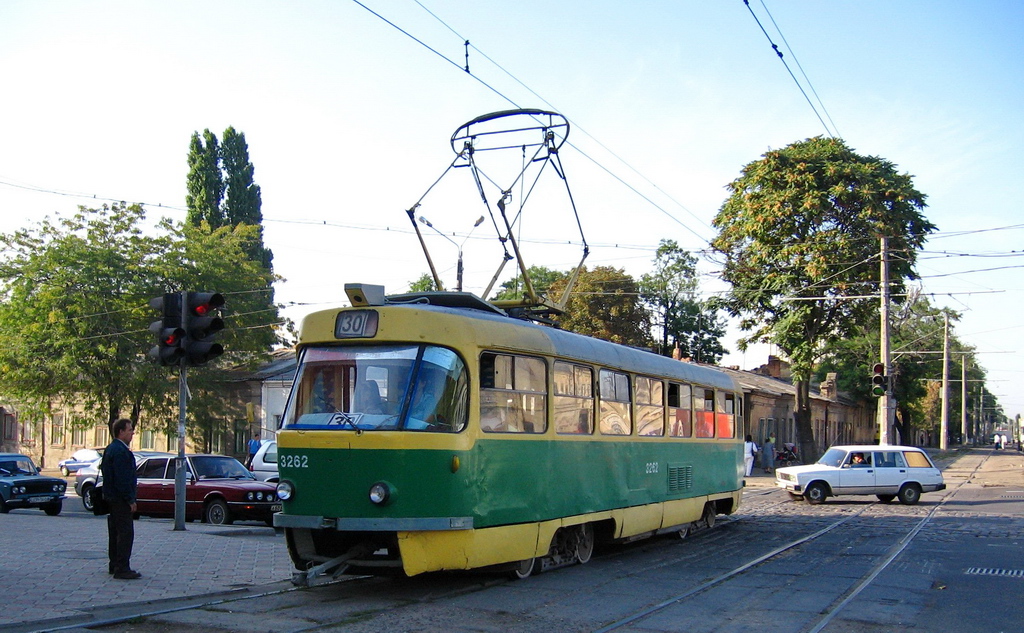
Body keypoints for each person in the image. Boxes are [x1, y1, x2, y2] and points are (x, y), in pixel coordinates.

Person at [101, 418, 140, 580]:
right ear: (121, 432)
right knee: (125, 533)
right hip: (120, 499)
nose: (132, 433)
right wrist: (130, 499)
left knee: (115, 532)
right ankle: (122, 567)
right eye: (130, 430)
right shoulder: (121, 451)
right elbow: (123, 478)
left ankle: (114, 563)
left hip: (112, 497)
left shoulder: (111, 448)